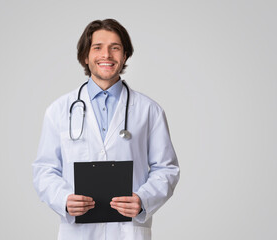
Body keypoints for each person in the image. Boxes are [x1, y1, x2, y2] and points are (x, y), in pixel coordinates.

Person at [33, 19, 180, 240]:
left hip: (128, 231)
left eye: (115, 48)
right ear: (85, 56)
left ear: (125, 55)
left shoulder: (149, 110)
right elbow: (44, 169)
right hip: (79, 231)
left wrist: (143, 200)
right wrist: (63, 199)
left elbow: (167, 169)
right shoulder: (59, 110)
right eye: (97, 47)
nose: (107, 55)